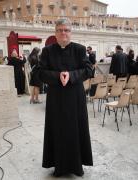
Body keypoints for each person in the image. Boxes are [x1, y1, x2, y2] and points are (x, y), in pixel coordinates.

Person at [39, 18, 93, 177]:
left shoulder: (80, 49)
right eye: (60, 30)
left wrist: (71, 75)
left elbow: (88, 70)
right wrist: (58, 76)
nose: (63, 33)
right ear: (55, 33)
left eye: (66, 30)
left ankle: (76, 166)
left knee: (76, 130)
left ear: (71, 32)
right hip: (56, 98)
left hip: (75, 98)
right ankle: (59, 166)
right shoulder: (47, 51)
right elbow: (40, 73)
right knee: (57, 130)